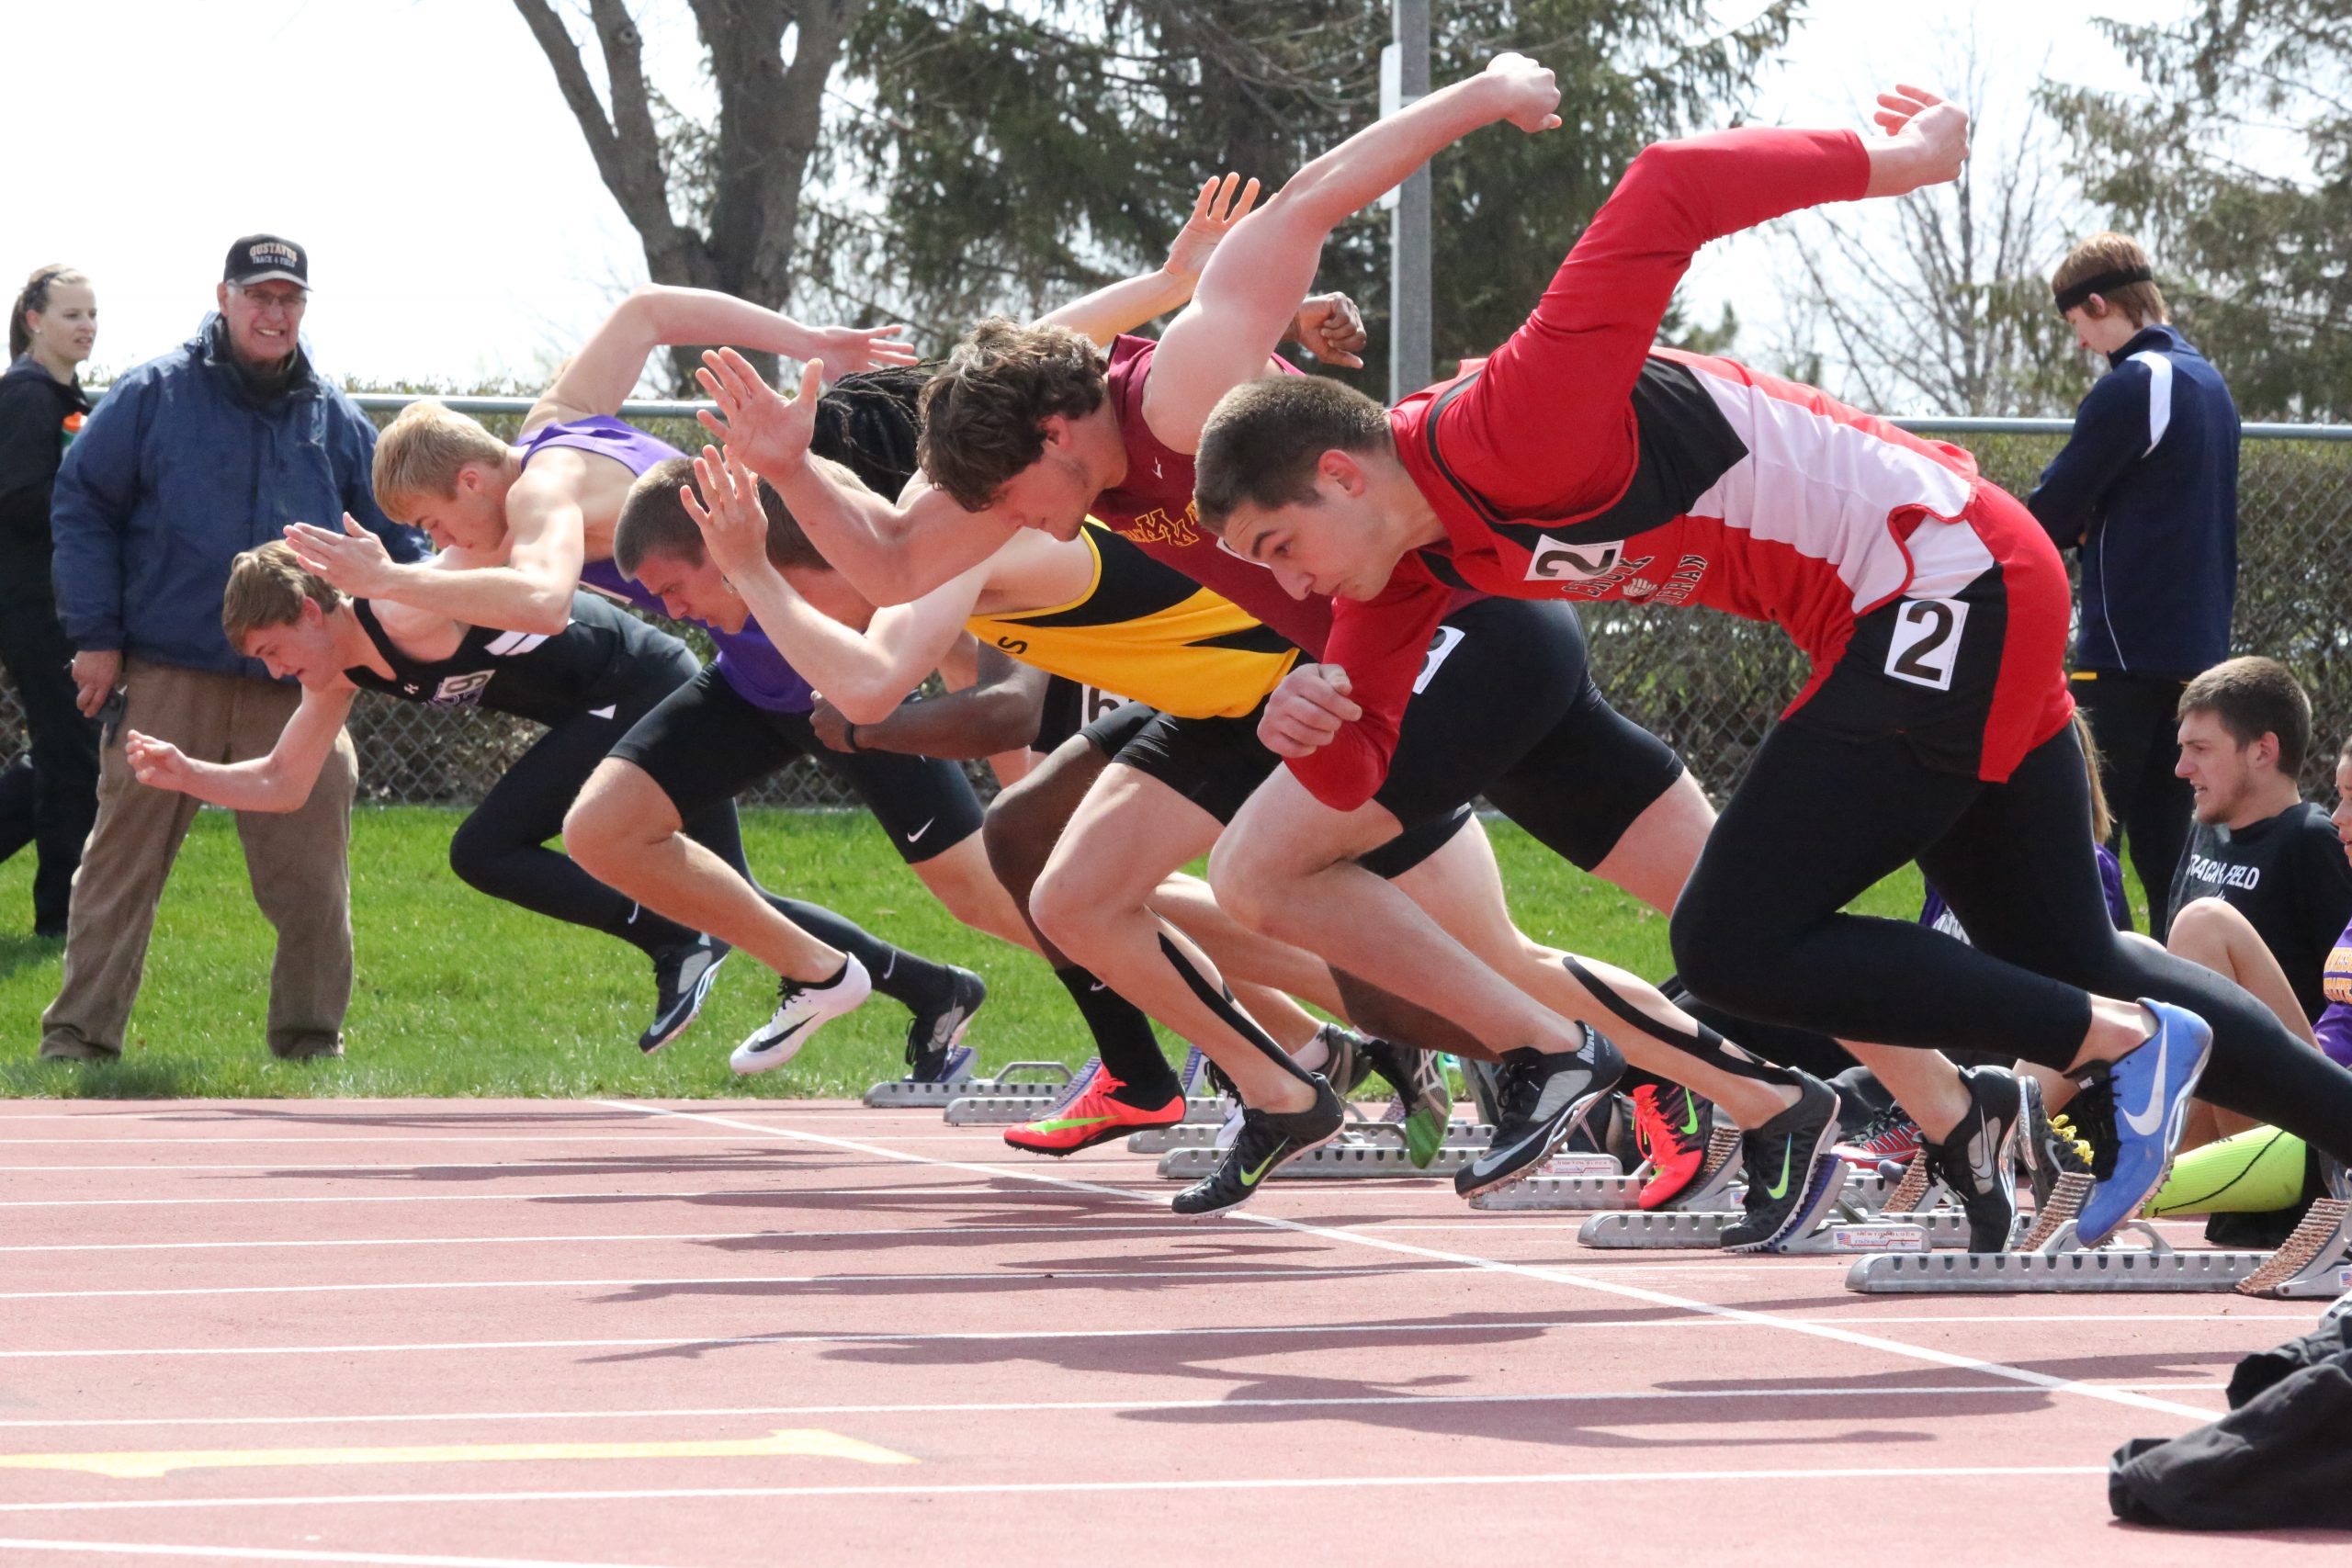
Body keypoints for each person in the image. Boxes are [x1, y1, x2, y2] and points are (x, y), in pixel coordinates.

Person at [1184, 74, 2352, 1249]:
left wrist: (1900, 160)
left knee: (1731, 940)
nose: (1288, 587)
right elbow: (1360, 785)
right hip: (1920, 601)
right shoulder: (1396, 577)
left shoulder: (1512, 420)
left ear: (1340, 474)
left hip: (1943, 577)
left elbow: (1668, 187)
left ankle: (2126, 1045)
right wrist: (1312, 725)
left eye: (1279, 548)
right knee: (2064, 950)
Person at [671, 439, 1842, 1219]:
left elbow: (867, 690)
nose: (726, 618)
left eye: (714, 590)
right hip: (1211, 710)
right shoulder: (925, 534)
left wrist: (753, 572)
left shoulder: (954, 542)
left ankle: (1739, 1092)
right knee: (1071, 897)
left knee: (1492, 959)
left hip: (1308, 691)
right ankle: (1286, 1085)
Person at [123, 542, 976, 1062]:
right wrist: (188, 772)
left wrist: (411, 558)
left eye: (276, 649)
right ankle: (935, 987)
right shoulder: (341, 669)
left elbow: (518, 574)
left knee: (485, 846)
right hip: (598, 712)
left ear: (314, 609)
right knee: (738, 901)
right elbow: (284, 780)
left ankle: (678, 938)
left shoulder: (396, 605)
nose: (278, 671)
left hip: (643, 685)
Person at [41, 236, 422, 1063]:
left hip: (302, 686)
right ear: (224, 297)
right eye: (260, 296)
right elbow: (81, 505)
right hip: (166, 668)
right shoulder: (154, 394)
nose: (274, 313)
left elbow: (396, 537)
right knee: (121, 866)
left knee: (313, 879)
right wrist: (97, 638)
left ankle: (310, 1042)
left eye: (290, 299)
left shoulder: (335, 417)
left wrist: (427, 626)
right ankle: (77, 1040)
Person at [2030, 233, 2239, 932]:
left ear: (2097, 303)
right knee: (2170, 844)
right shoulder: (2210, 383)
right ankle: (2190, 984)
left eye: (2078, 325)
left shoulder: (2135, 383)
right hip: (2197, 654)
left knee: (2094, 835)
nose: (2083, 342)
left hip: (2121, 655)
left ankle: (2102, 990)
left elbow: (2051, 510)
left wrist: (2080, 522)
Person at [0, 265, 99, 936]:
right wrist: (87, 504)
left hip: (65, 603)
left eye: (92, 314)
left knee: (70, 751)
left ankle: (67, 910)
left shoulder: (76, 400)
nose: (87, 326)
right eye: (72, 314)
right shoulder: (27, 397)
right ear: (35, 320)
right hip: (32, 602)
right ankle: (61, 917)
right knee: (71, 756)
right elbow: (17, 496)